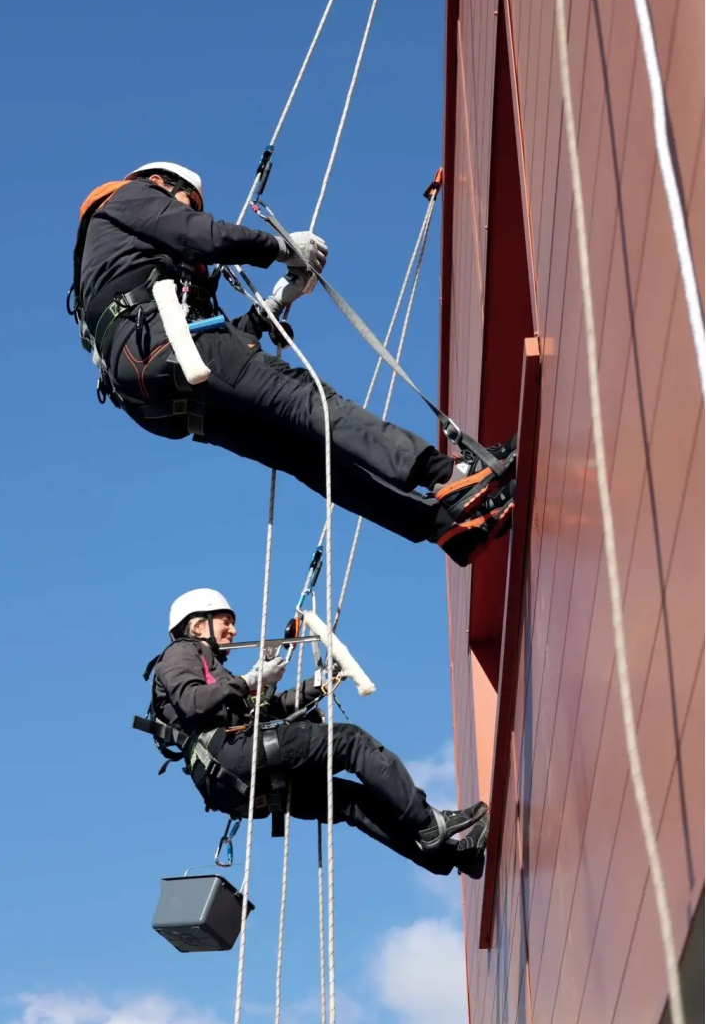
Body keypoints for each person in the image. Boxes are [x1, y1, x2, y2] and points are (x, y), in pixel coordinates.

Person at [71, 161, 516, 567]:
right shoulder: (131, 196)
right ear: (162, 183)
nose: (189, 207)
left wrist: (275, 301)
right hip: (169, 344)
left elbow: (216, 347)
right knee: (311, 402)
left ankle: (443, 526)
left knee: (308, 455)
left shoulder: (114, 262)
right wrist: (282, 248)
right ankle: (453, 474)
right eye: (190, 199)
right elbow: (200, 235)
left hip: (157, 384)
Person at [143, 589, 490, 879]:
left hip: (235, 777)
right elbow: (192, 701)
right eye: (225, 622)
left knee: (351, 803)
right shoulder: (180, 654)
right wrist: (249, 682)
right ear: (199, 625)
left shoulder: (214, 670)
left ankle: (453, 856)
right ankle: (428, 823)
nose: (233, 631)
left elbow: (266, 710)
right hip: (230, 758)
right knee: (350, 741)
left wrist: (318, 686)